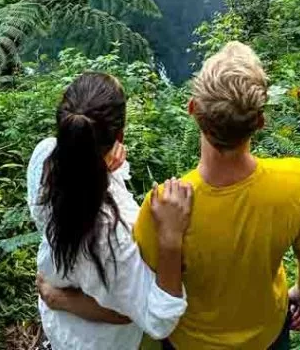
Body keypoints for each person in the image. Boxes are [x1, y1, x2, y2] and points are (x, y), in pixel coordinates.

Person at [133, 42, 300, 350]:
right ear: (260, 123)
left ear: (193, 109)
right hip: (268, 337)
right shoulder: (297, 181)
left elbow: (145, 294)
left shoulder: (163, 206)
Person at [27, 71, 194, 349]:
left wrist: (60, 299)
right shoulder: (116, 230)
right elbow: (156, 319)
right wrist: (170, 238)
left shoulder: (43, 159)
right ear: (119, 135)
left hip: (59, 328)